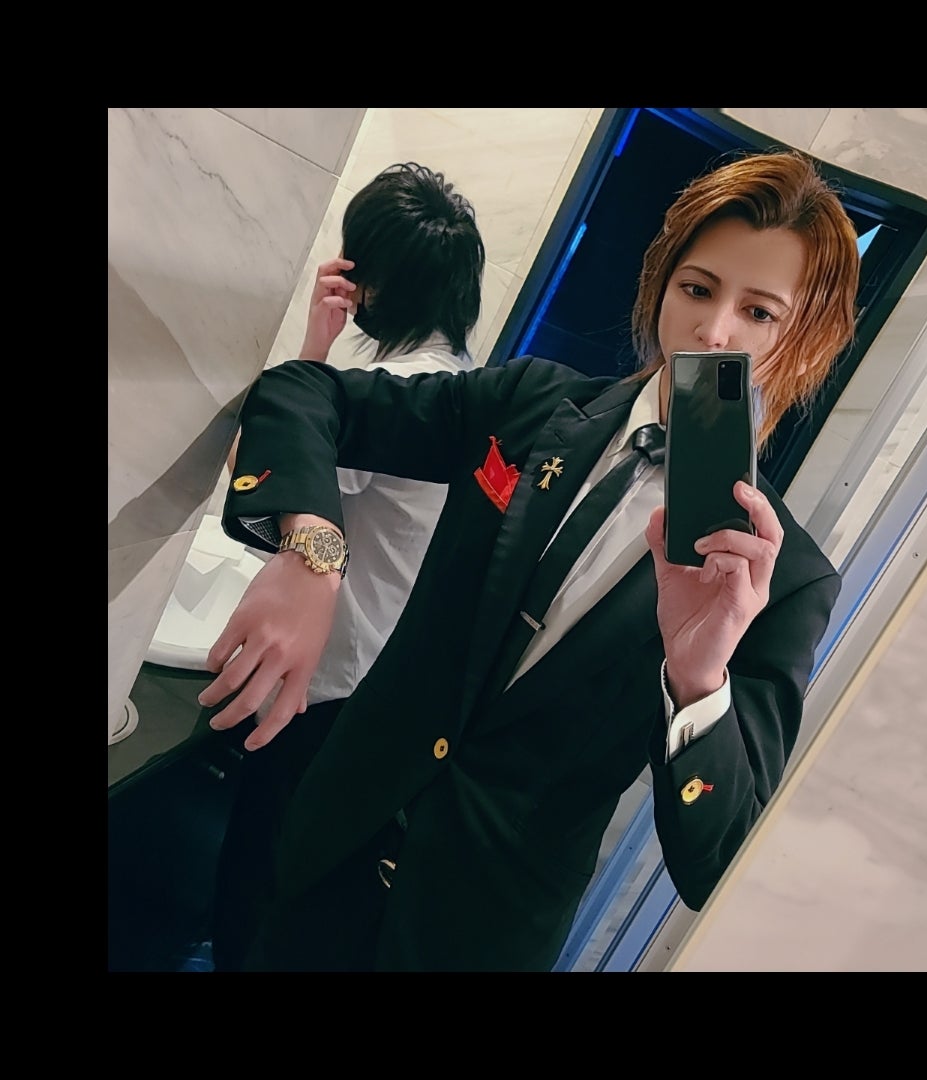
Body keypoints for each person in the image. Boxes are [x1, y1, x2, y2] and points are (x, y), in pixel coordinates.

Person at [199, 148, 860, 972]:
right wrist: (314, 552)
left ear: (806, 339)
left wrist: (699, 681)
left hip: (479, 935)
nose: (715, 331)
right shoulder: (530, 404)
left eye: (759, 312)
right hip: (324, 856)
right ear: (661, 285)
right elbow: (304, 392)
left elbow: (714, 856)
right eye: (698, 289)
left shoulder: (784, 578)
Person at [209, 161, 486, 972]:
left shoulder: (384, 393)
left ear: (370, 280)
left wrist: (314, 348)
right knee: (306, 892)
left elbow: (253, 465)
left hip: (326, 689)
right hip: (389, 690)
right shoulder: (461, 390)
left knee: (254, 885)